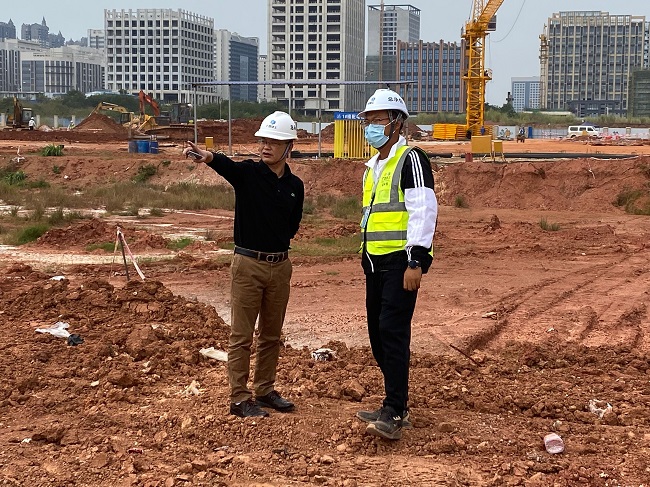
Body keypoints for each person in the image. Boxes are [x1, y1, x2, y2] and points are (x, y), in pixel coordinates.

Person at [183, 111, 304, 418]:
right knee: (241, 336)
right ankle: (239, 398)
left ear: (289, 146)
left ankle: (264, 390)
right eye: (263, 141)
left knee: (271, 336)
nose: (266, 147)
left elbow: (293, 225)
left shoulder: (295, 185)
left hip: (280, 266)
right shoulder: (248, 173)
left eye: (274, 142)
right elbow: (227, 166)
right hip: (248, 264)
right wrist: (208, 156)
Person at [356, 89, 438, 440]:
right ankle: (394, 402)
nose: (371, 126)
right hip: (374, 264)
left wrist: (416, 260)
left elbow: (423, 210)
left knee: (392, 331)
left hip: (400, 263)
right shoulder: (373, 167)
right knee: (378, 335)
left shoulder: (411, 159)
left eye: (378, 120)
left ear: (397, 123)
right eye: (368, 120)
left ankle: (394, 409)